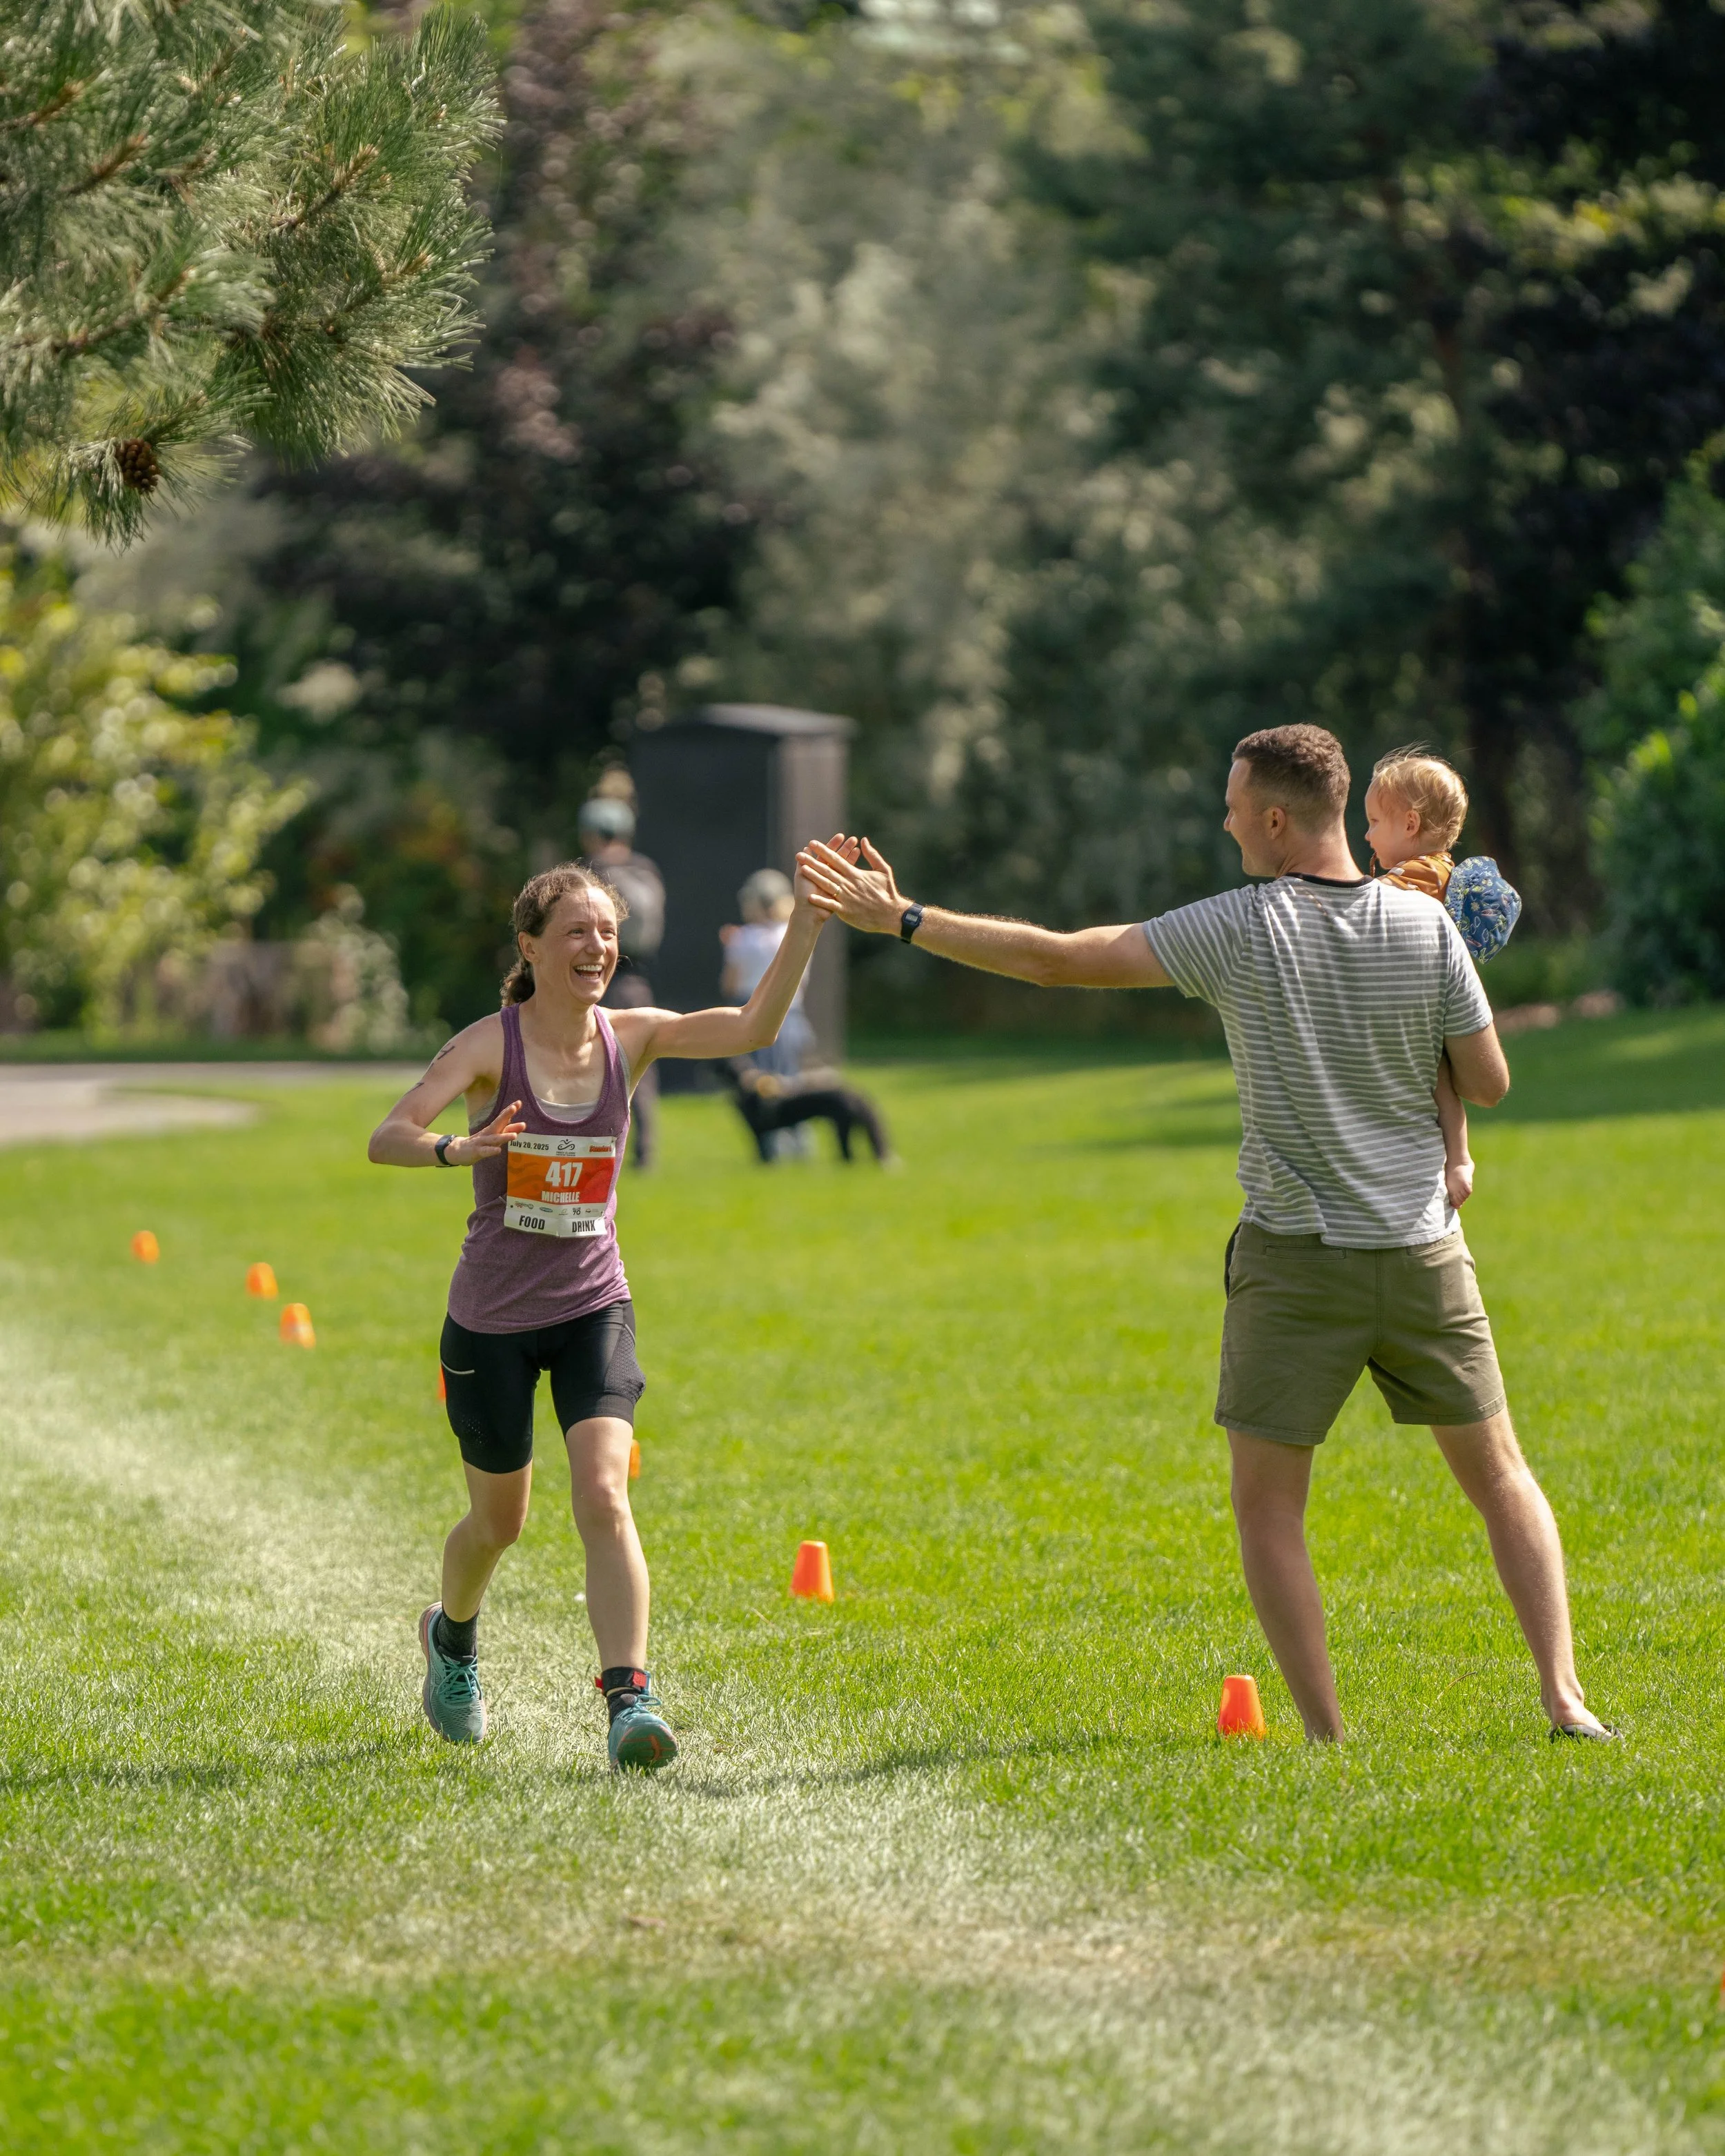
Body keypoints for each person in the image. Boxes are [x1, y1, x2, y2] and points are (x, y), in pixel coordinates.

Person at [796, 729, 1612, 1743]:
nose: (1224, 822)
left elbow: (1056, 960)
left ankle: (1328, 1736)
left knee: (1270, 1510)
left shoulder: (1238, 925)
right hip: (1422, 1256)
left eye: (1233, 806)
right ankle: (1565, 1698)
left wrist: (906, 918)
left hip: (1295, 1265)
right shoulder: (1425, 925)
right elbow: (1487, 1083)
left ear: (1274, 818)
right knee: (1500, 1477)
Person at [367, 847, 837, 1770]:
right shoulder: (487, 1045)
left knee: (604, 1492)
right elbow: (389, 1135)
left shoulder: (635, 1034)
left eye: (609, 932)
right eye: (578, 930)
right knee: (497, 1524)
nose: (597, 947)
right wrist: (459, 1150)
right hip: (492, 1319)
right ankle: (451, 1637)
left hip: (593, 1303)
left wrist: (809, 922)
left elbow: (753, 1023)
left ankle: (630, 1699)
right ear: (530, 945)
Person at [1365, 747, 1526, 1214]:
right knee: (1443, 1086)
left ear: (1409, 824)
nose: (1367, 834)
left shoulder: (1415, 877)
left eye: (1374, 822)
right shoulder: (1442, 869)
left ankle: (1459, 1159)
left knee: (1440, 1082)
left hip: (1419, 1004)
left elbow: (1364, 903)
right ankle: (1459, 1158)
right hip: (1434, 1002)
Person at [578, 795, 667, 1171]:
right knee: (639, 1062)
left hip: (595, 978)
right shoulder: (646, 869)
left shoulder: (590, 872)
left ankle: (586, 1149)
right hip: (637, 980)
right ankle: (645, 1150)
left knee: (585, 1063)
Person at [720, 869, 815, 1157]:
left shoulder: (744, 938)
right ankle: (801, 1145)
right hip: (793, 1015)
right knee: (793, 1082)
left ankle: (773, 1147)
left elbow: (730, 984)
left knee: (763, 1083)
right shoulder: (794, 933)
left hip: (756, 1013)